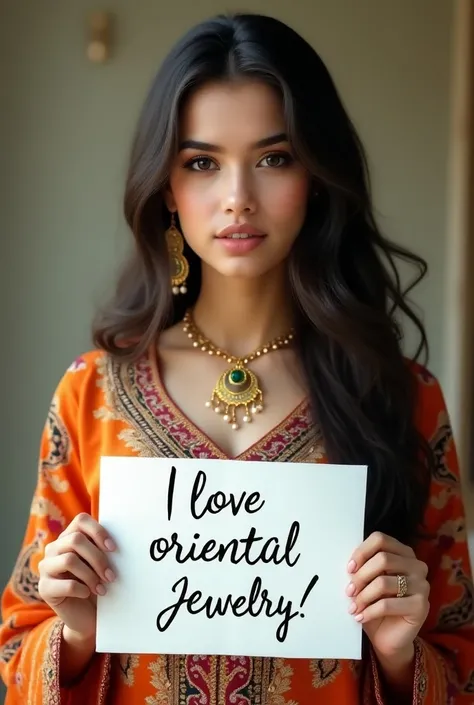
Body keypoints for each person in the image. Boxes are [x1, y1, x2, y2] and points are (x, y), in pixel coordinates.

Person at [1, 11, 473, 704]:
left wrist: (402, 655)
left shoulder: (402, 398)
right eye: (201, 163)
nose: (237, 199)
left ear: (315, 173)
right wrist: (72, 637)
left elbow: (460, 665)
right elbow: (17, 653)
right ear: (166, 186)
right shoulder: (91, 393)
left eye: (274, 158)